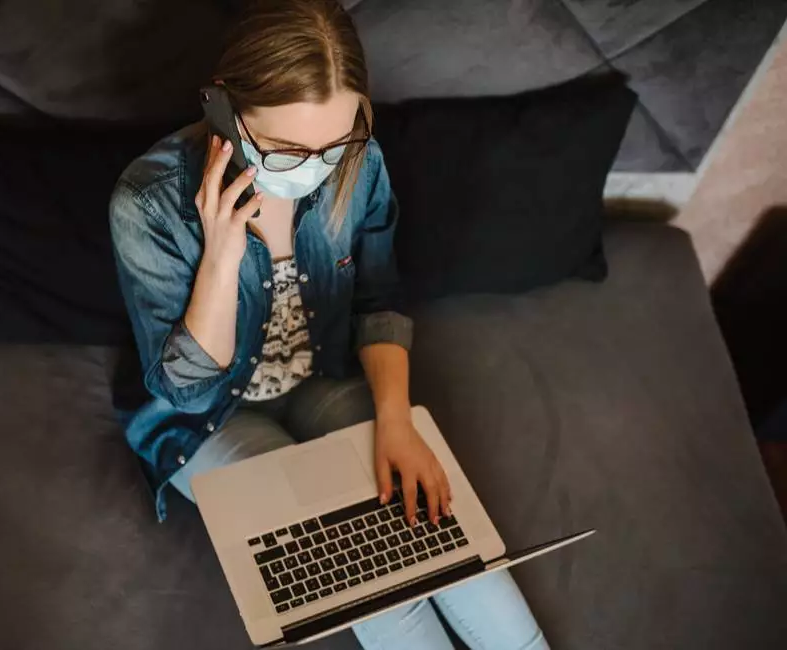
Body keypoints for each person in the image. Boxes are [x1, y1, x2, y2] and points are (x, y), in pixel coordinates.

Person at [109, 1, 548, 648]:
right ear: (223, 109)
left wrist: (395, 420)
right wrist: (222, 254)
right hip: (206, 418)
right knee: (358, 569)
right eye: (286, 149)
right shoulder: (147, 202)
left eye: (335, 142)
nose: (316, 165)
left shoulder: (358, 162)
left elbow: (379, 297)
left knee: (442, 534)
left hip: (323, 377)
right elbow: (185, 390)